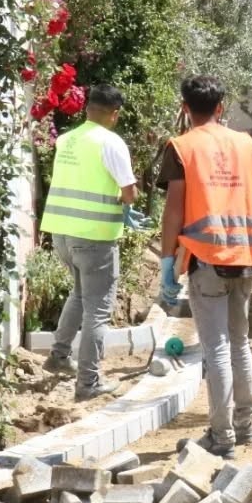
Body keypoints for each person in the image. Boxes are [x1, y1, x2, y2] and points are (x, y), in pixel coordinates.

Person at [157, 75, 252, 459]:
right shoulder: (246, 145)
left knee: (217, 348)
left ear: (185, 108)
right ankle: (245, 427)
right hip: (246, 257)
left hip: (207, 258)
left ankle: (221, 437)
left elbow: (173, 209)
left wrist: (167, 260)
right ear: (221, 107)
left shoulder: (181, 147)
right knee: (239, 343)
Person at [40, 84, 150, 400]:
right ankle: (88, 382)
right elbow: (129, 192)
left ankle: (59, 356)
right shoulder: (111, 142)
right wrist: (126, 204)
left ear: (87, 108)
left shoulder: (67, 139)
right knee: (98, 311)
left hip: (61, 233)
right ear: (115, 114)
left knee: (79, 294)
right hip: (94, 236)